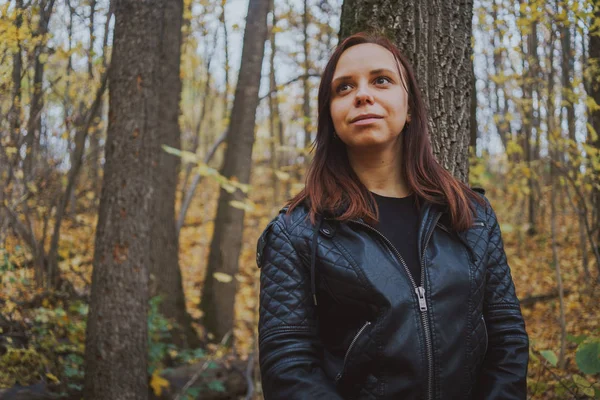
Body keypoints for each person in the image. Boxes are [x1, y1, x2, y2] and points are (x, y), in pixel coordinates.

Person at [256, 32, 528, 400]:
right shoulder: (297, 232)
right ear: (331, 117)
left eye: (381, 80)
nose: (363, 94)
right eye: (344, 88)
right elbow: (288, 370)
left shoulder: (472, 216)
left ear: (410, 106)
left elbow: (508, 339)